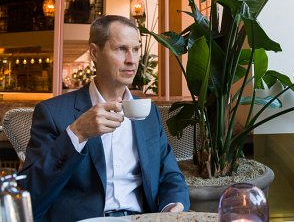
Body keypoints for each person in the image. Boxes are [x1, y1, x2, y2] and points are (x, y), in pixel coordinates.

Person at [19, 15, 190, 221]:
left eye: (136, 49)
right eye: (121, 49)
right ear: (94, 52)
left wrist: (172, 206)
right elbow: (29, 195)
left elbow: (169, 174)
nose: (132, 59)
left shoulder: (148, 112)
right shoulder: (53, 113)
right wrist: (77, 134)